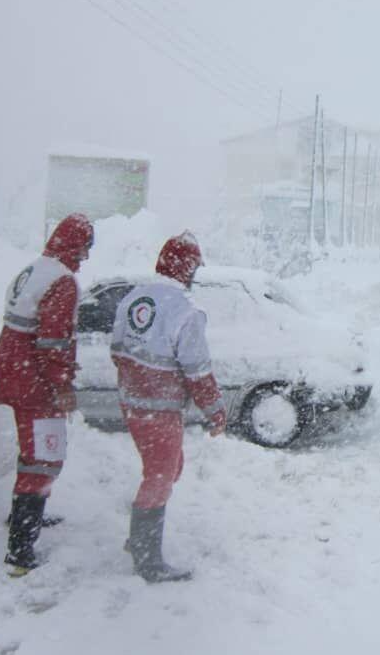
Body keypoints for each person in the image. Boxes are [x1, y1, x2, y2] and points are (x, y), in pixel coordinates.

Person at [110, 231, 226, 583]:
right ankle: (147, 558)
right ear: (187, 268)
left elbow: (117, 349)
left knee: (170, 468)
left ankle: (139, 538)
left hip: (132, 403)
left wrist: (136, 382)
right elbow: (198, 370)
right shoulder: (186, 311)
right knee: (160, 475)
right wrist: (215, 411)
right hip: (159, 408)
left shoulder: (134, 296)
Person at [0, 213, 94, 576]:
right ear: (74, 245)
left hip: (13, 372)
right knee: (44, 456)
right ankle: (20, 549)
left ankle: (25, 515)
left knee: (32, 451)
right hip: (35, 380)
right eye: (85, 248)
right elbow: (53, 341)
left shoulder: (34, 269)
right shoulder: (63, 281)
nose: (86, 257)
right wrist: (62, 385)